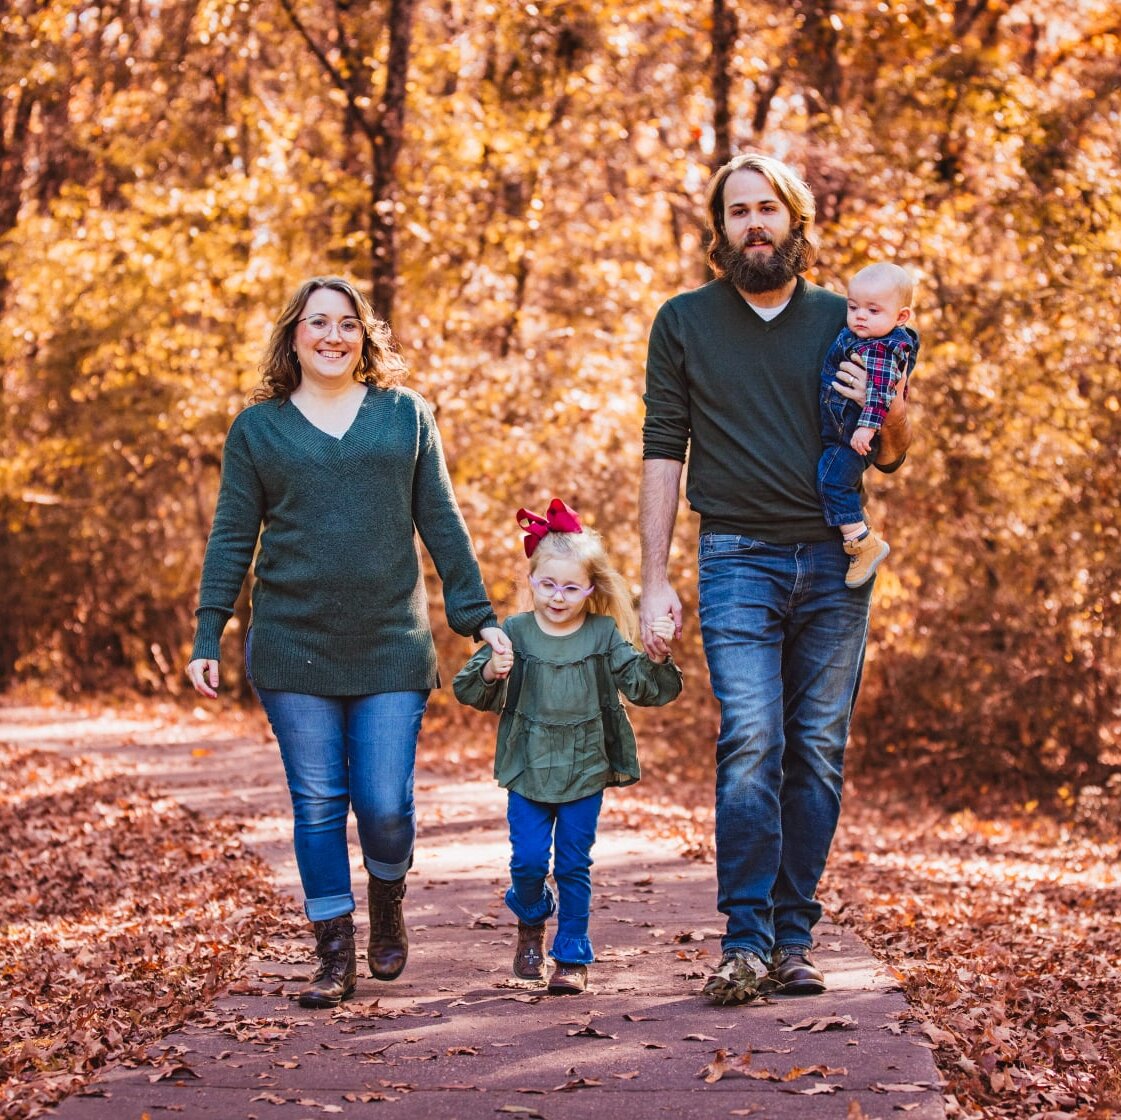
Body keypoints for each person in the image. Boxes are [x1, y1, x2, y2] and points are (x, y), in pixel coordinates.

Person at [185, 275, 510, 1010]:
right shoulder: (258, 429)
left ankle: (387, 897)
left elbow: (443, 523)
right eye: (317, 323)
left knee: (384, 802)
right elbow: (232, 536)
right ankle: (333, 951)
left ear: (365, 337)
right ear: (293, 335)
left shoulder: (405, 417)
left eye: (347, 325)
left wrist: (478, 617)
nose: (333, 336)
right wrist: (210, 629)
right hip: (291, 643)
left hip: (390, 642)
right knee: (318, 802)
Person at [639, 153, 913, 1005]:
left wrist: (891, 407)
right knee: (752, 739)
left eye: (767, 209)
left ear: (794, 220)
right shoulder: (683, 320)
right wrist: (651, 576)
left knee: (817, 752)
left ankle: (794, 937)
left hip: (836, 565)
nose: (753, 224)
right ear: (718, 231)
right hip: (735, 557)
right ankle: (744, 942)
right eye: (737, 212)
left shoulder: (849, 317)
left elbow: (894, 455)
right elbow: (661, 446)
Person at [453, 499, 682, 995]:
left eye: (572, 587)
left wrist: (657, 657)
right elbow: (468, 688)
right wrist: (493, 669)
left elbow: (644, 688)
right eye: (548, 584)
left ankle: (571, 956)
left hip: (584, 766)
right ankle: (532, 917)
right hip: (528, 765)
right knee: (529, 862)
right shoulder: (514, 632)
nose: (558, 597)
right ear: (532, 581)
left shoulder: (603, 634)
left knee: (574, 863)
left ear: (590, 589)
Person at [818, 262, 919, 588]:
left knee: (831, 480)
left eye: (873, 310)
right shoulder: (861, 335)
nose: (860, 316)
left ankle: (861, 542)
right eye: (853, 307)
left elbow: (879, 393)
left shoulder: (880, 348)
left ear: (900, 317)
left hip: (855, 434)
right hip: (845, 431)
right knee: (830, 476)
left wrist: (866, 427)